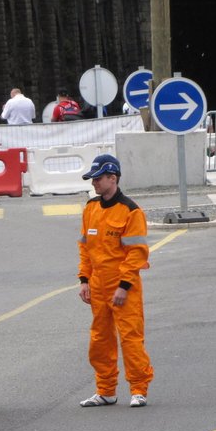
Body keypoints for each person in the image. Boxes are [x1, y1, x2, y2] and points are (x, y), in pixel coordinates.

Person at [77, 154, 153, 408]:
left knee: (131, 338)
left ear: (113, 178)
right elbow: (85, 248)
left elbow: (137, 254)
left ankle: (139, 389)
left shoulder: (131, 211)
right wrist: (84, 280)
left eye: (98, 179)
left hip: (123, 288)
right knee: (100, 339)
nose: (94, 183)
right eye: (93, 179)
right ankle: (106, 390)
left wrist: (124, 286)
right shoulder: (91, 209)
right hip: (97, 285)